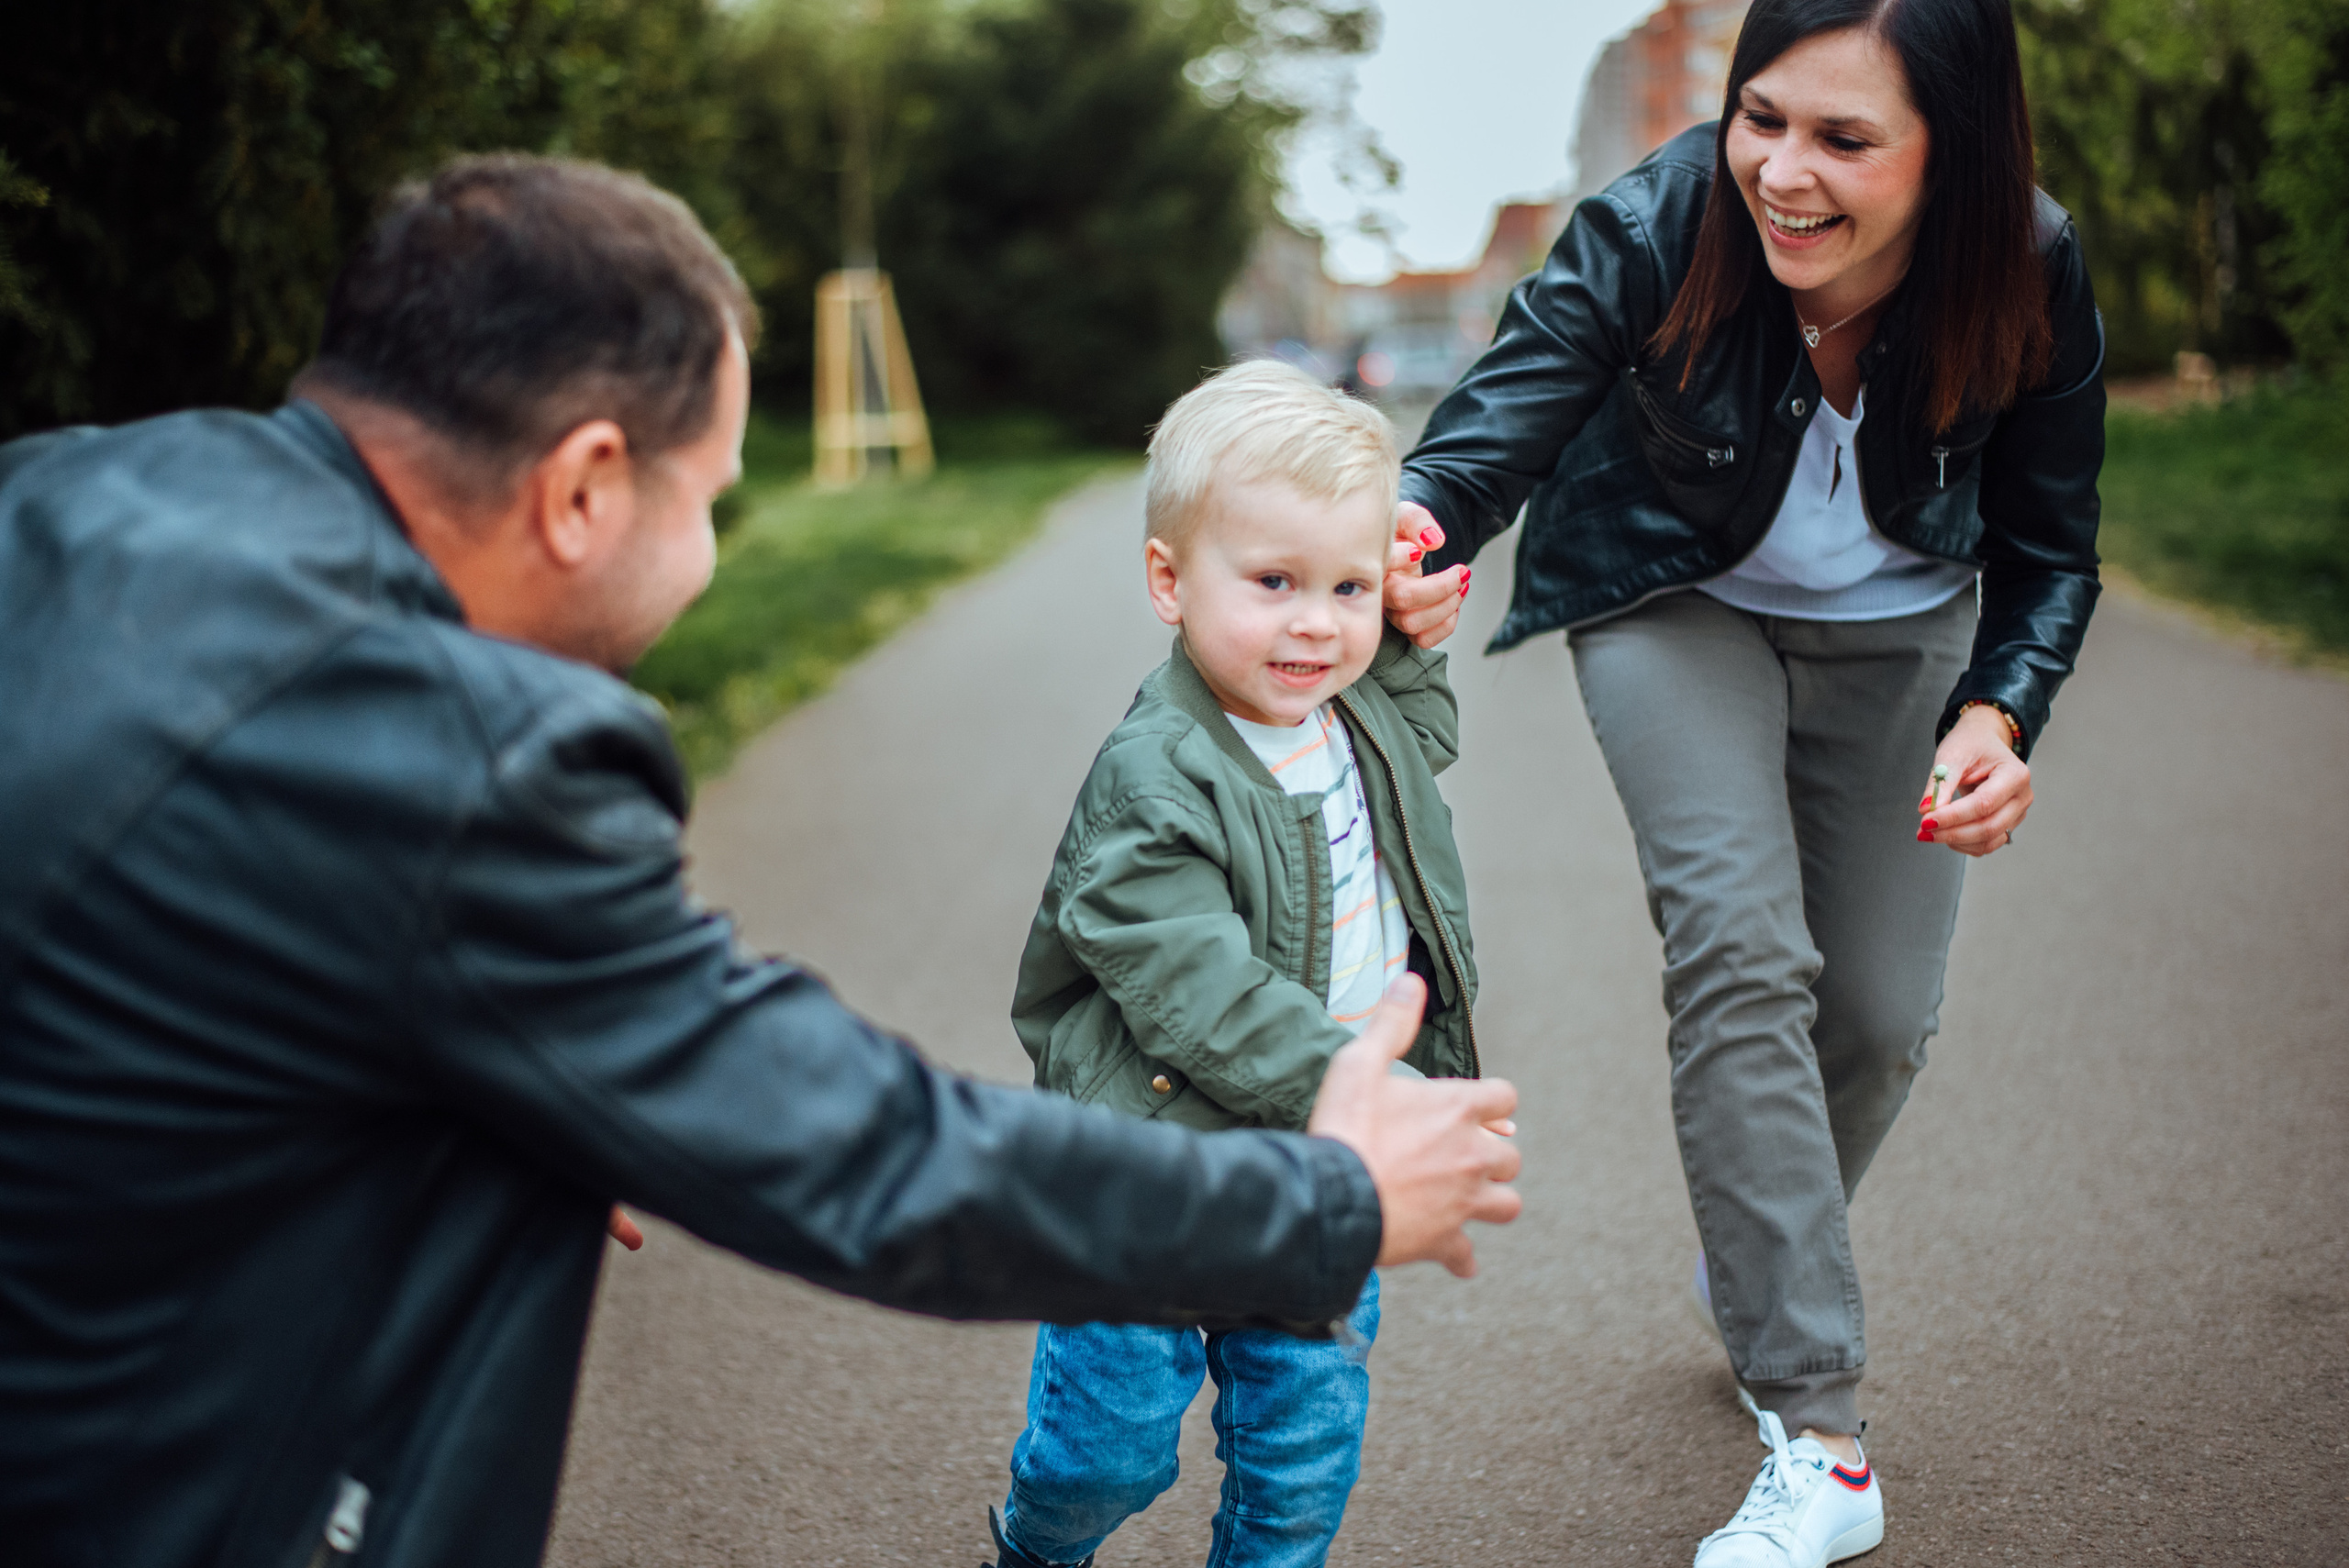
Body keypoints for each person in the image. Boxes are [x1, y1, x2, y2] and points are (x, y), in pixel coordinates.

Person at [0, 154, 1525, 1568]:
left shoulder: (62, 491)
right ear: (589, 485)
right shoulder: (471, 759)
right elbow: (856, 1150)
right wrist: (1328, 1203)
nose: (717, 545)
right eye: (712, 497)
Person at [1380, 0, 2103, 1562]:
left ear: (1951, 154)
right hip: (1669, 596)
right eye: (1762, 115)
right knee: (1741, 942)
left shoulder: (2031, 264)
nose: (1783, 172)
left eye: (1846, 139)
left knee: (1878, 1018)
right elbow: (1498, 422)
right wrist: (1417, 533)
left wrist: (2004, 709)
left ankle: (1758, 1251)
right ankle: (1819, 1430)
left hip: (1906, 624)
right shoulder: (1654, 225)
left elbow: (2051, 543)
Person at [980, 362, 1482, 1568]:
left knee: (1302, 1448)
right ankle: (1036, 1547)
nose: (1317, 622)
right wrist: (1361, 1086)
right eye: (1274, 583)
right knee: (1112, 1445)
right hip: (1153, 1168)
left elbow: (1426, 733)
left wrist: (1406, 634)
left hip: (1314, 1166)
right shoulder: (1154, 776)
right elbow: (1196, 988)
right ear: (1170, 580)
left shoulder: (1351, 708)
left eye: (1347, 585)